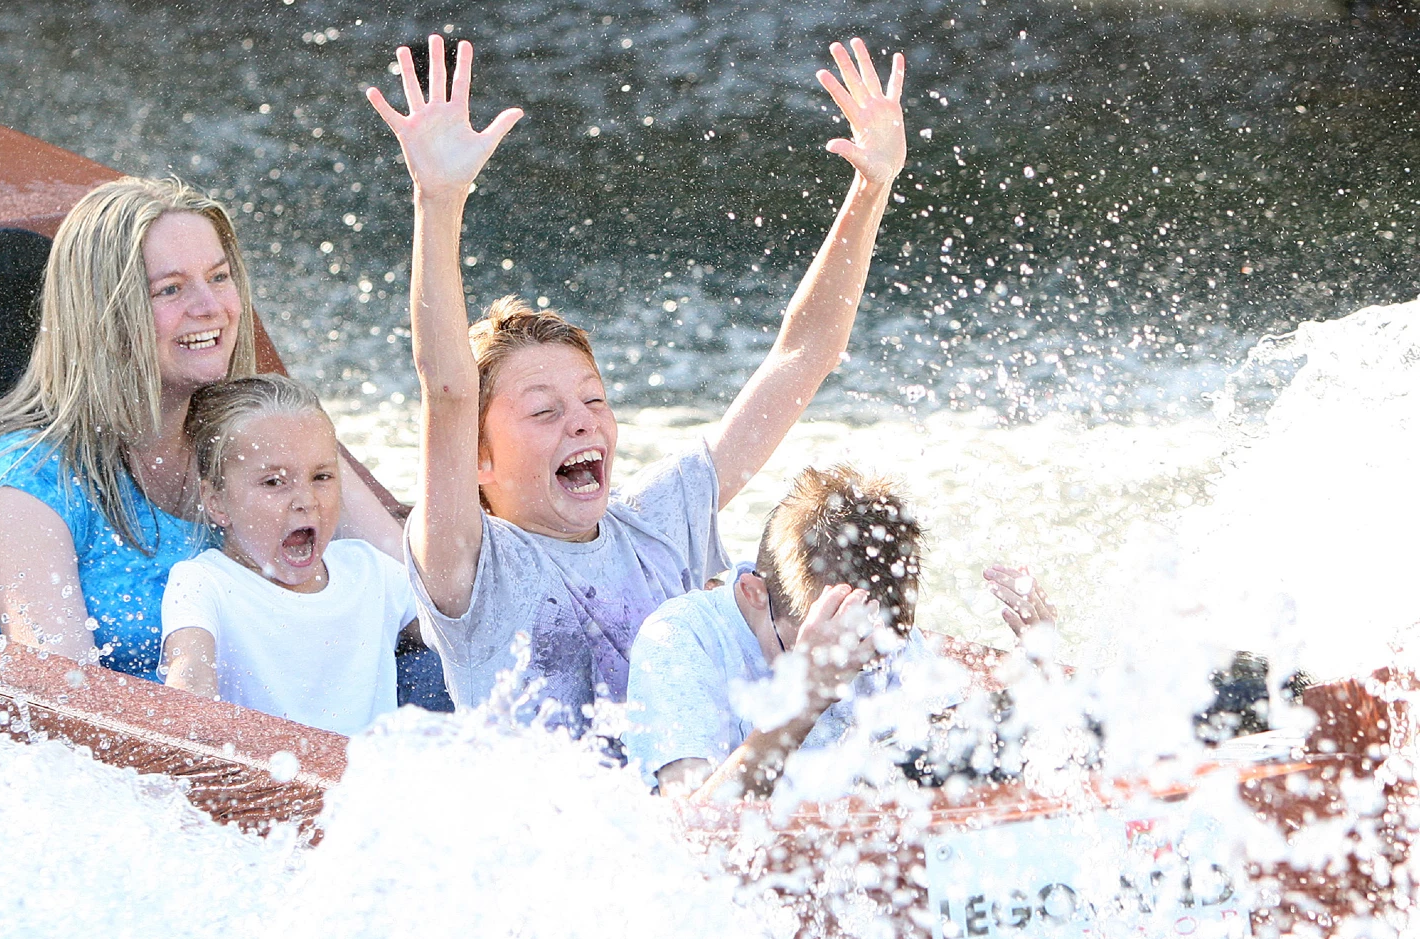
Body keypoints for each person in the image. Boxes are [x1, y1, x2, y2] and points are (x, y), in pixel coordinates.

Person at [365, 34, 909, 732]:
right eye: (544, 411)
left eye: (593, 399)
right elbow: (446, 391)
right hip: (565, 801)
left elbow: (801, 357)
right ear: (480, 457)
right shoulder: (470, 567)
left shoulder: (657, 520)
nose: (583, 420)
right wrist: (438, 200)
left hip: (702, 784)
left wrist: (872, 188)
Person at [0, 176, 404, 680]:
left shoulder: (261, 433)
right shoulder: (22, 488)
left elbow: (429, 600)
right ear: (102, 315)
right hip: (147, 732)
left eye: (219, 277)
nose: (211, 308)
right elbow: (70, 702)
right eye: (170, 289)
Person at [628, 466, 1058, 800]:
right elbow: (693, 827)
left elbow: (946, 754)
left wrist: (1037, 673)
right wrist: (807, 695)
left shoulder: (874, 628)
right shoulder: (679, 640)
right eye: (830, 645)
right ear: (753, 594)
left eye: (871, 653)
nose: (852, 669)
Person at [158, 375, 417, 735]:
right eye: (274, 482)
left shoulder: (370, 571)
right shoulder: (205, 583)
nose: (306, 500)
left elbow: (467, 634)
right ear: (216, 502)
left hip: (369, 772)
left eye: (321, 477)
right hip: (256, 772)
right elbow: (190, 681)